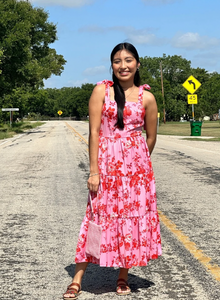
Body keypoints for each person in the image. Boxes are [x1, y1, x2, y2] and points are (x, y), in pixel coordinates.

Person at [63, 42, 162, 299]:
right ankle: (77, 279)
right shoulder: (101, 91)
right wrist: (94, 170)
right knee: (96, 218)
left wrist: (136, 162)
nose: (123, 65)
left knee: (129, 222)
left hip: (137, 175)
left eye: (128, 60)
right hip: (105, 170)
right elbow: (94, 132)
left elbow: (150, 137)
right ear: (112, 66)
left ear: (137, 64)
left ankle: (122, 276)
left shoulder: (147, 97)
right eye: (117, 61)